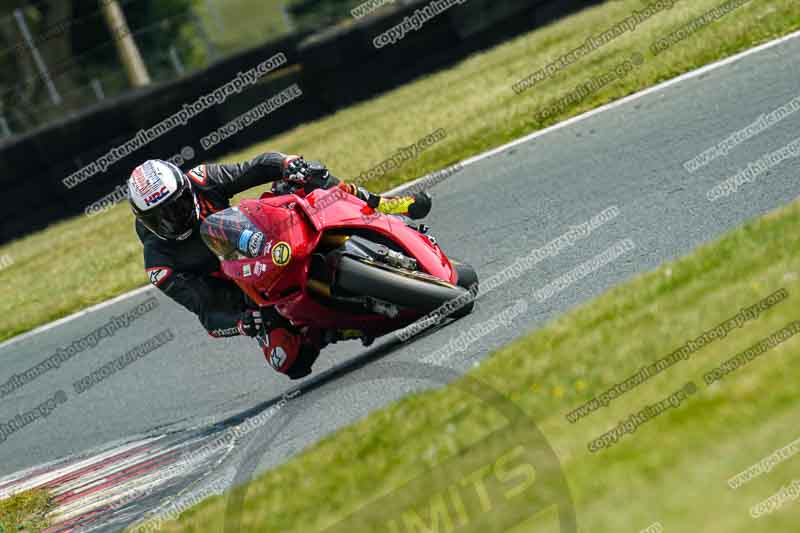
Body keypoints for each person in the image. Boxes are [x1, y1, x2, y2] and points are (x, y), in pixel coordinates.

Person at [127, 153, 431, 379]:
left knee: (310, 175)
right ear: (143, 221)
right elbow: (206, 312)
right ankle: (337, 328)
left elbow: (255, 167)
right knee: (289, 361)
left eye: (176, 206)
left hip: (262, 233)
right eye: (159, 217)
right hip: (245, 286)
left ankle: (381, 206)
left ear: (186, 190)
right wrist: (242, 322)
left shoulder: (202, 180)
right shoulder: (160, 264)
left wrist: (286, 164)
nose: (172, 220)